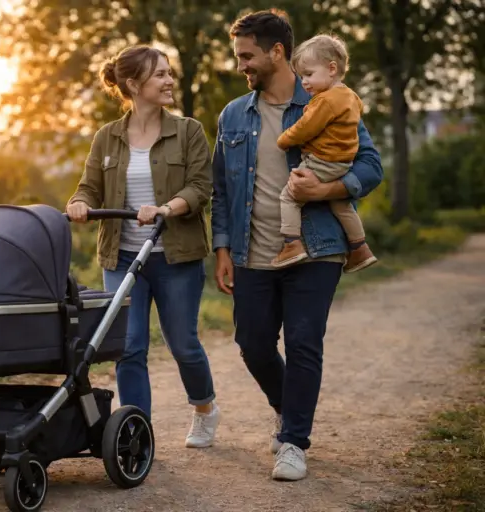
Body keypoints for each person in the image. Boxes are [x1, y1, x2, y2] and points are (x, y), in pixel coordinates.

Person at [210, 10, 383, 480]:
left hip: (317, 247)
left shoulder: (328, 100)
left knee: (305, 342)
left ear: (277, 52)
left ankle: (293, 442)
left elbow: (370, 166)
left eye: (247, 55)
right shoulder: (232, 115)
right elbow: (221, 190)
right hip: (253, 252)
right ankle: (289, 410)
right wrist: (222, 248)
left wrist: (325, 191)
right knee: (254, 344)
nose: (241, 65)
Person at [66, 44, 220, 448]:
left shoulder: (188, 130)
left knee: (183, 345)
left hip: (175, 256)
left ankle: (204, 408)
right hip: (122, 257)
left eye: (170, 73)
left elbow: (201, 187)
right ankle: (138, 435)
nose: (170, 81)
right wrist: (79, 203)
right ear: (133, 84)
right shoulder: (107, 137)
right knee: (128, 348)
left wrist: (167, 207)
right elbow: (89, 187)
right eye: (160, 75)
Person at [273, 34, 378, 273]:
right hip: (343, 164)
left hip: (322, 161)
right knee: (342, 205)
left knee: (289, 197)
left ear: (332, 69)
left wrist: (283, 140)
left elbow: (304, 129)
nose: (304, 82)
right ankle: (360, 248)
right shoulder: (351, 97)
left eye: (308, 75)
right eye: (301, 76)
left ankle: (292, 244)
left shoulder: (324, 101)